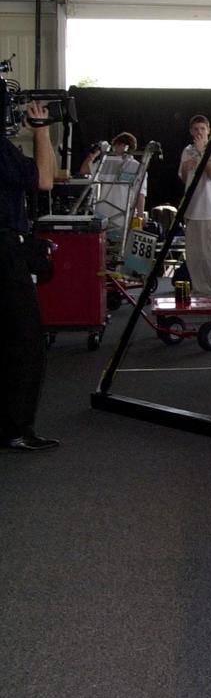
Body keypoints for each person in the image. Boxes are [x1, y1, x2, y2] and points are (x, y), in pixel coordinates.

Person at [1, 102, 58, 450]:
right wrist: (41, 129)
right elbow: (45, 179)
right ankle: (14, 429)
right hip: (4, 250)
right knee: (23, 340)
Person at [178, 115, 211, 297]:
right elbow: (184, 179)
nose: (199, 132)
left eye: (202, 129)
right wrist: (186, 167)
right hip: (192, 210)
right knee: (194, 255)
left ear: (208, 131)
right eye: (196, 129)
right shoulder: (187, 150)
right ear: (191, 131)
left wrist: (201, 153)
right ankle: (200, 290)